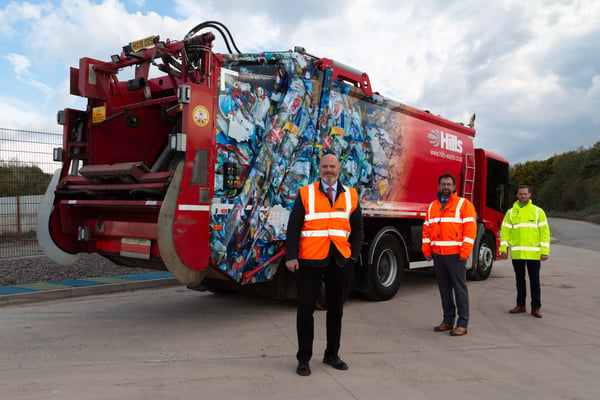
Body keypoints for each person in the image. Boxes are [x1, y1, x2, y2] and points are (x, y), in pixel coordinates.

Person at [285, 153, 364, 376]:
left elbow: (358, 230)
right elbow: (293, 227)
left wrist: (354, 256)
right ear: (319, 169)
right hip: (309, 261)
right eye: (325, 167)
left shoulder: (351, 195)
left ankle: (332, 355)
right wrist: (291, 256)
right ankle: (303, 359)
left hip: (340, 261)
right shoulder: (306, 193)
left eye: (332, 166)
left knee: (336, 311)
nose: (328, 170)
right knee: (305, 311)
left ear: (339, 169)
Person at [422, 173, 477, 337]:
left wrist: (465, 253)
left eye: (449, 184)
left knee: (460, 290)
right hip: (438, 255)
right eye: (443, 184)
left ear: (454, 187)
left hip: (456, 256)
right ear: (439, 187)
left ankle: (462, 323)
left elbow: (470, 231)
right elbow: (426, 230)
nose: (446, 187)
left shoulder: (464, 205)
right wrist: (426, 250)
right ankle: (447, 320)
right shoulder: (432, 206)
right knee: (444, 290)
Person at [500, 185, 550, 318]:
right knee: (519, 280)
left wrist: (545, 251)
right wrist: (503, 248)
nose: (523, 196)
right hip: (517, 253)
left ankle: (536, 307)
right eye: (520, 194)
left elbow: (544, 233)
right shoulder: (511, 213)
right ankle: (521, 305)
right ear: (517, 195)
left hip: (534, 254)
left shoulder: (538, 212)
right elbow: (505, 232)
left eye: (525, 194)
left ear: (530, 195)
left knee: (535, 281)